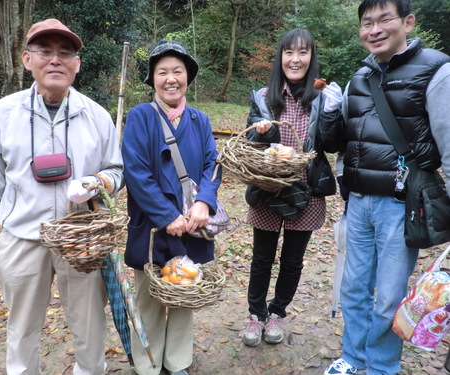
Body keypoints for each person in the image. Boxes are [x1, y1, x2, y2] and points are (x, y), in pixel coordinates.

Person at [0, 18, 124, 375]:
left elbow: (117, 170)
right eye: (45, 52)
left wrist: (96, 183)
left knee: (89, 327)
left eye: (65, 53)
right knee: (21, 329)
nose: (56, 60)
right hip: (22, 237)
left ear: (77, 64)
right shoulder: (2, 114)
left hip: (81, 240)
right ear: (26, 59)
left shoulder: (96, 116)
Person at [323, 0, 450, 374]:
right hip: (359, 202)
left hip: (401, 202)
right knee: (353, 289)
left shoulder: (437, 70)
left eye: (384, 20)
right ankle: (353, 356)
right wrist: (331, 112)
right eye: (366, 23)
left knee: (389, 297)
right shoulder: (359, 77)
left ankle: (381, 366)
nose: (374, 29)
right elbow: (347, 140)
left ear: (408, 22)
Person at [121, 40, 221, 375]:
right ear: (152, 78)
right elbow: (136, 172)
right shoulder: (140, 117)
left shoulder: (200, 120)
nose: (170, 78)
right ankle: (148, 365)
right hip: (151, 225)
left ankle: (177, 362)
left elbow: (212, 164)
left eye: (177, 71)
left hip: (192, 224)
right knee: (148, 296)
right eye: (162, 71)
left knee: (185, 294)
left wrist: (205, 202)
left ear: (188, 77)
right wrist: (167, 217)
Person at [242, 28, 344, 347]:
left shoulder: (323, 96)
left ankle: (277, 313)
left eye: (302, 52)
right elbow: (249, 144)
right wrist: (259, 133)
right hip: (268, 190)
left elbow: (333, 143)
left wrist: (331, 115)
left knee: (292, 261)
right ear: (280, 57)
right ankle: (256, 315)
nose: (295, 59)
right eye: (289, 52)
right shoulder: (263, 97)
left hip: (307, 191)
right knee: (261, 258)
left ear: (311, 57)